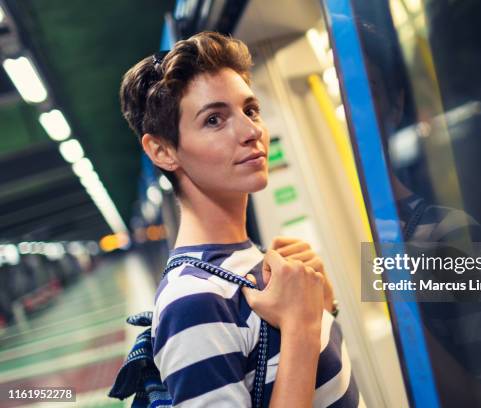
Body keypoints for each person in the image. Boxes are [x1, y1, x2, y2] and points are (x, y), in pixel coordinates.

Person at [118, 31, 361, 407]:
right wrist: (301, 326)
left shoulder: (253, 261)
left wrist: (323, 306)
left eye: (250, 110)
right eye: (214, 119)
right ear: (163, 150)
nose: (251, 132)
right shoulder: (192, 301)